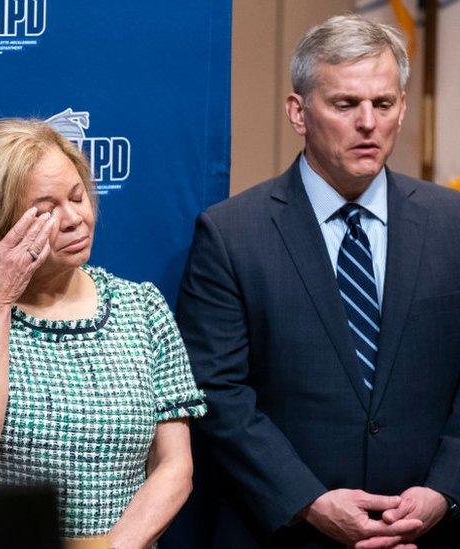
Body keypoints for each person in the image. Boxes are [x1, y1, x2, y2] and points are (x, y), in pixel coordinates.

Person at [177, 14, 460, 548]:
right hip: (286, 532)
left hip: (428, 530)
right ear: (298, 112)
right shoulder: (232, 233)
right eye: (345, 104)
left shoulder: (452, 223)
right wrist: (308, 501)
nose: (368, 123)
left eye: (383, 103)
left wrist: (444, 490)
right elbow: (217, 391)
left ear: (402, 107)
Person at [0, 118, 206, 547]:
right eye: (47, 209)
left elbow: (175, 467)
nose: (76, 219)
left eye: (78, 197)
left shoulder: (142, 307)